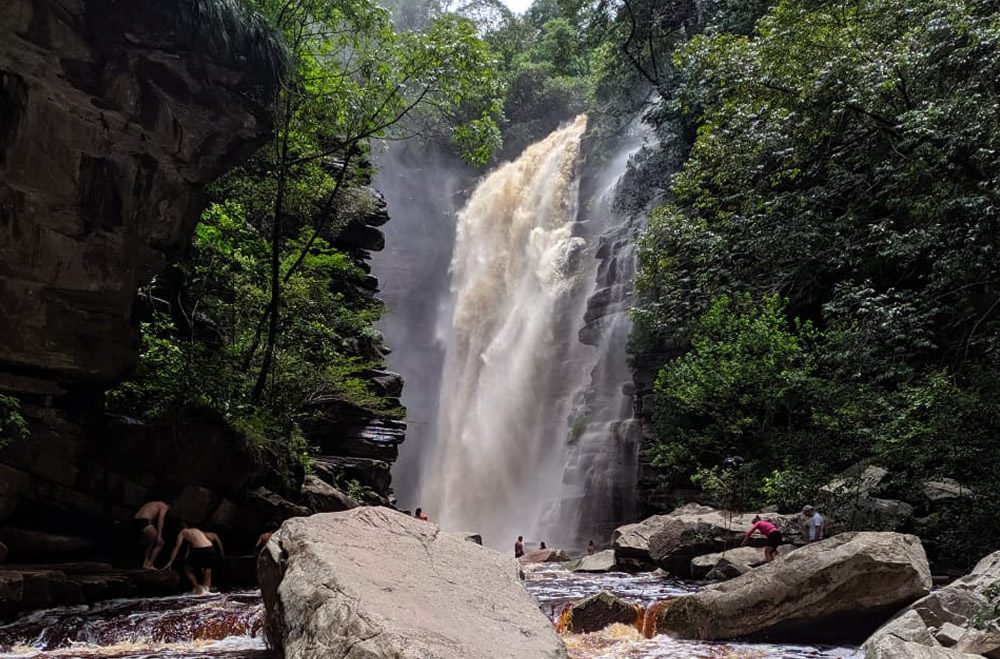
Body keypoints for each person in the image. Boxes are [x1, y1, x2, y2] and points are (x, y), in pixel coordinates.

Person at [162, 526, 224, 595]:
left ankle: (197, 587)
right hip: (210, 547)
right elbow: (193, 546)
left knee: (187, 569)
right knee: (208, 569)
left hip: (200, 549)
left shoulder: (182, 532)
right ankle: (206, 590)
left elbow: (176, 547)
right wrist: (221, 553)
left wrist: (170, 562)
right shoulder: (196, 530)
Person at [133, 501, 169, 569]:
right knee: (160, 543)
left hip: (135, 521)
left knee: (150, 542)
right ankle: (150, 564)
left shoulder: (151, 503)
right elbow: (161, 520)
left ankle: (145, 563)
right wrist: (159, 535)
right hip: (143, 522)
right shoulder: (164, 506)